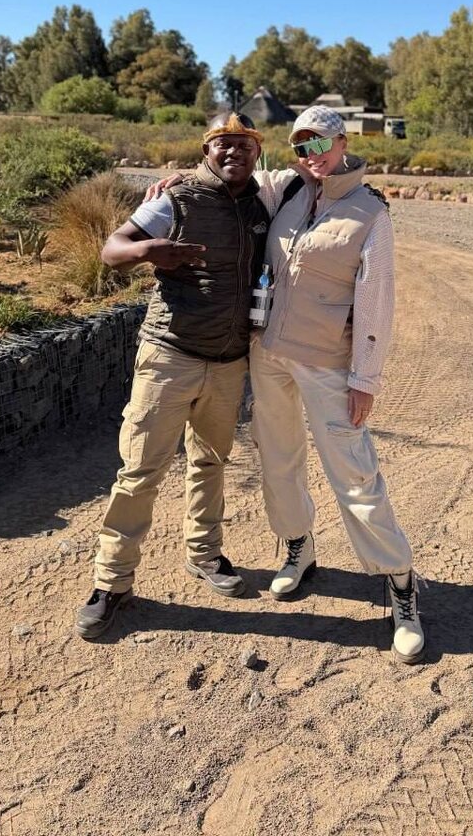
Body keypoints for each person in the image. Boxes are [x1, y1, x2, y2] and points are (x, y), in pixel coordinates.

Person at [75, 113, 301, 640]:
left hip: (229, 363)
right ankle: (111, 582)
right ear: (206, 150)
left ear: (257, 152)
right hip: (169, 357)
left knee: (210, 462)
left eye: (244, 145)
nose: (234, 152)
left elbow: (315, 182)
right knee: (141, 471)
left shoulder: (264, 205)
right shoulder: (174, 199)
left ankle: (204, 554)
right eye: (224, 144)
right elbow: (112, 249)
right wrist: (145, 252)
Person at [250, 105, 425, 664]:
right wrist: (176, 182)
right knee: (278, 459)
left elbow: (376, 302)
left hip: (327, 362)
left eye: (321, 143)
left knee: (354, 473)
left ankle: (400, 582)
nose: (312, 155)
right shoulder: (286, 190)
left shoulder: (371, 213)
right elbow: (227, 178)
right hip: (268, 353)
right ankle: (298, 547)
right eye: (301, 146)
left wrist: (364, 378)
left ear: (343, 142)